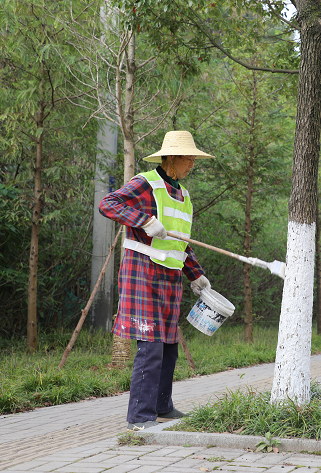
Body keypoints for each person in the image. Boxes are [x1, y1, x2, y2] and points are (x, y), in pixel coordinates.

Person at [99, 130, 214, 431]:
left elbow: (180, 243)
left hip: (171, 278)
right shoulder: (146, 183)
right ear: (172, 158)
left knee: (168, 346)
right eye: (189, 158)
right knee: (150, 346)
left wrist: (196, 274)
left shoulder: (183, 195)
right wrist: (144, 221)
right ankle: (140, 417)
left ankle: (163, 407)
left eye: (193, 159)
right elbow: (108, 204)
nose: (192, 164)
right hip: (143, 273)